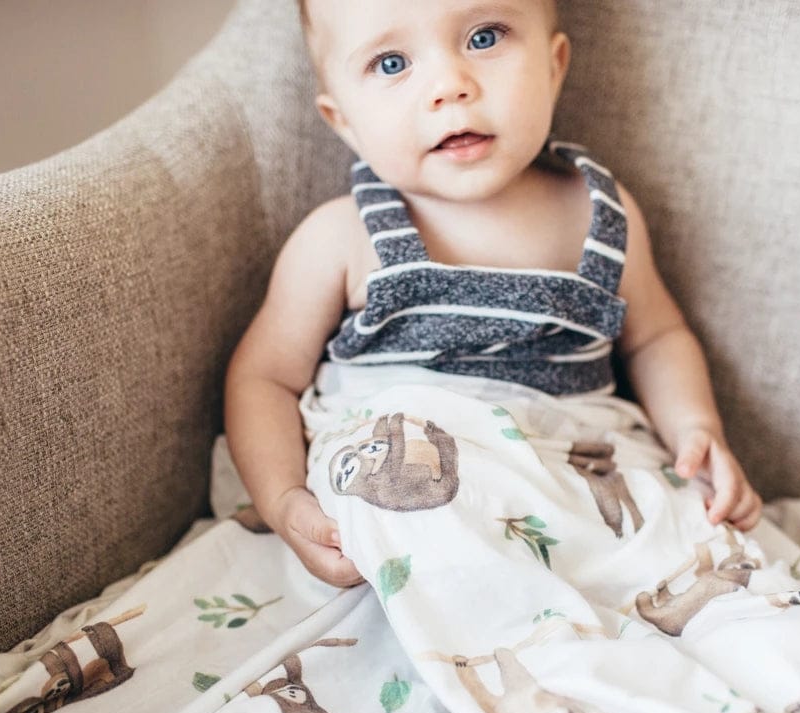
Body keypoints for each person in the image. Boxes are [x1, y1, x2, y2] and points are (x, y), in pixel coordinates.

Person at [224, 0, 762, 588]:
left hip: (573, 497)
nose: (449, 86)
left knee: (703, 565)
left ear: (554, 66)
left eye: (484, 37)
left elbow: (656, 338)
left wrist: (695, 429)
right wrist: (283, 499)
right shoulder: (341, 237)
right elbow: (265, 378)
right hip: (408, 505)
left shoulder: (596, 217)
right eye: (391, 63)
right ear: (343, 120)